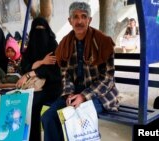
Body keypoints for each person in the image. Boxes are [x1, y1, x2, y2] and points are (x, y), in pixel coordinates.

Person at [41, 2, 120, 141]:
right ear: (70, 21)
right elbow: (65, 75)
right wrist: (70, 94)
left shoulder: (103, 42)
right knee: (48, 117)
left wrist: (83, 96)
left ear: (89, 19)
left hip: (100, 95)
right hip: (74, 93)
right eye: (75, 17)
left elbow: (107, 78)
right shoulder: (65, 44)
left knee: (78, 115)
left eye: (84, 16)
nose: (79, 21)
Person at [16, 17, 62, 141]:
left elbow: (53, 71)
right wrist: (41, 62)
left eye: (42, 30)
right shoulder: (30, 46)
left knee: (32, 103)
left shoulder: (53, 46)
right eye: (37, 30)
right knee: (27, 104)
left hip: (52, 86)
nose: (39, 33)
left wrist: (30, 73)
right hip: (34, 86)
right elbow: (24, 67)